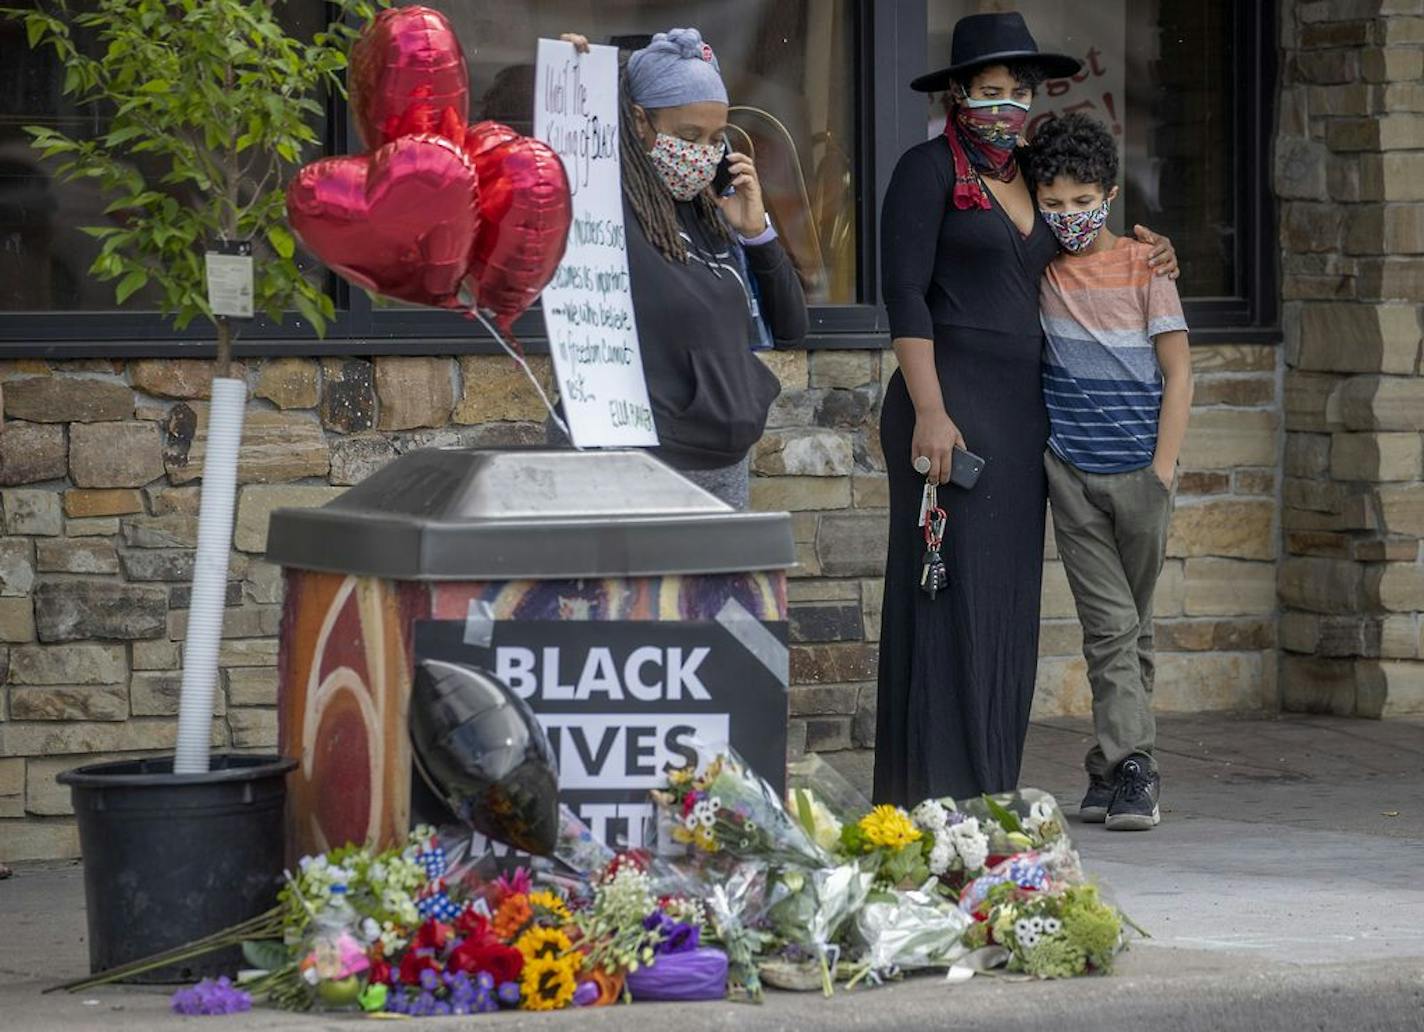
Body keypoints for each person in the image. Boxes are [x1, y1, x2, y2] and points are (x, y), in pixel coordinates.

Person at [874, 12, 1179, 807]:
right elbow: (903, 294)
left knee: (1006, 604)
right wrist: (929, 410)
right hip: (946, 401)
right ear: (957, 94)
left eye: (1019, 92)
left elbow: (1089, 232)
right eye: (989, 91)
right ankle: (931, 792)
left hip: (1023, 412)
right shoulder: (926, 170)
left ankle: (988, 789)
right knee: (948, 595)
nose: (1005, 105)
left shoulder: (1033, 173)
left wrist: (1154, 251)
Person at [554, 29, 808, 509]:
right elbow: (562, 163)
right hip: (636, 460)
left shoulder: (710, 214)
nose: (703, 152)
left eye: (716, 138)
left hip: (718, 463)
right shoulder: (606, 209)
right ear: (639, 122)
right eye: (689, 136)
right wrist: (577, 83)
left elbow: (792, 328)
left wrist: (757, 235)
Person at [1031, 114, 1192, 831]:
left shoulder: (1145, 265)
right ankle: (1136, 771)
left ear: (1111, 194)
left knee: (1136, 627)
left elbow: (1179, 372)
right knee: (1112, 626)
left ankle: (1109, 768)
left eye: (1082, 200)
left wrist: (1161, 470)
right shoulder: (1037, 270)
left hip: (1142, 477)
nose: (1069, 216)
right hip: (1072, 474)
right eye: (1054, 202)